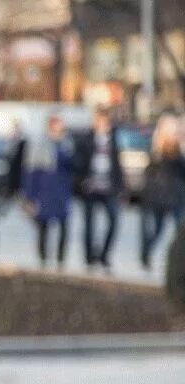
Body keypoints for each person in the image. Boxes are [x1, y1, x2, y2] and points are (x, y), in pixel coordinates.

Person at [21, 114, 75, 268]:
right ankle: (43, 260)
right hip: (44, 191)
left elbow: (72, 166)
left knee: (64, 226)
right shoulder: (39, 144)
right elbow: (31, 171)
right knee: (43, 228)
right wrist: (29, 196)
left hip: (61, 191)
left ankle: (60, 260)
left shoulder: (67, 145)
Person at [76, 107, 125, 270]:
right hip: (90, 188)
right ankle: (89, 256)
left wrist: (120, 188)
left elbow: (117, 165)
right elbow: (79, 163)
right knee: (89, 224)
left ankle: (104, 255)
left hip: (108, 188)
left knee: (114, 220)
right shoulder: (86, 139)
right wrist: (82, 182)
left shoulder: (113, 140)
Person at [140, 113, 185, 269]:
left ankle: (177, 261)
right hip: (160, 197)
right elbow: (151, 170)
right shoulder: (156, 150)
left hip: (177, 196)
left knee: (180, 230)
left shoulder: (178, 149)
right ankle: (146, 253)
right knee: (158, 230)